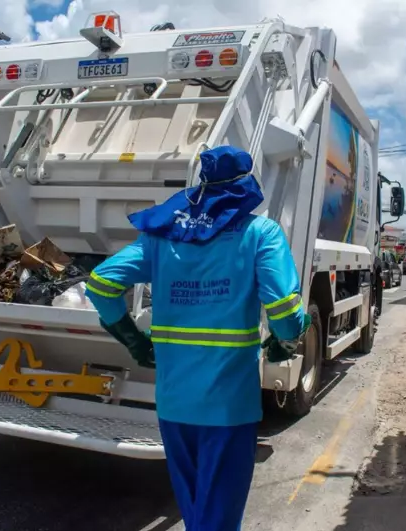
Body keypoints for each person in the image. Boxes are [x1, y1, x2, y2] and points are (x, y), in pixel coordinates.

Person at [85, 145, 310, 530]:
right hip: (228, 406)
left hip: (173, 404)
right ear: (246, 184)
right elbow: (287, 313)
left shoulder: (160, 236)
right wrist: (285, 340)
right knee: (218, 518)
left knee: (195, 511)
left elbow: (102, 283)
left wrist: (133, 340)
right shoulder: (260, 232)